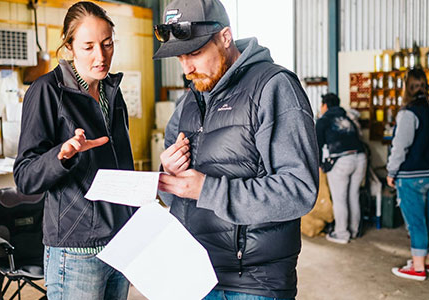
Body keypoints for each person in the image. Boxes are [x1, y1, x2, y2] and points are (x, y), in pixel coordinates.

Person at [154, 0, 319, 299]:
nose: (187, 68)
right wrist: (170, 174)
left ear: (225, 37)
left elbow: (299, 190)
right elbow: (175, 196)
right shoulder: (190, 102)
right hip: (193, 274)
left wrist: (208, 189)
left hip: (252, 283)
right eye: (180, 57)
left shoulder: (273, 87)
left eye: (194, 53)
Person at [13, 2, 134, 299]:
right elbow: (25, 177)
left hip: (120, 245)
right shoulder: (47, 91)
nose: (100, 56)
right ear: (69, 46)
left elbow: (121, 169)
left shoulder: (112, 94)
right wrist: (61, 155)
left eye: (107, 45)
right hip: (76, 252)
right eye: (88, 46)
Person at [387, 68, 429, 281]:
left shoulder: (408, 113)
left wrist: (391, 171)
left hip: (411, 176)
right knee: (428, 219)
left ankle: (419, 267)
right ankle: (426, 260)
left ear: (407, 87)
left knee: (415, 222)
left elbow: (400, 146)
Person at [315, 93, 366, 244]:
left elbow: (316, 145)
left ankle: (342, 233)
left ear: (324, 105)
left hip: (342, 160)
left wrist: (319, 164)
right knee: (353, 195)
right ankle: (354, 230)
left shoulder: (323, 120)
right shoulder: (348, 117)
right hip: (361, 158)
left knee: (340, 199)